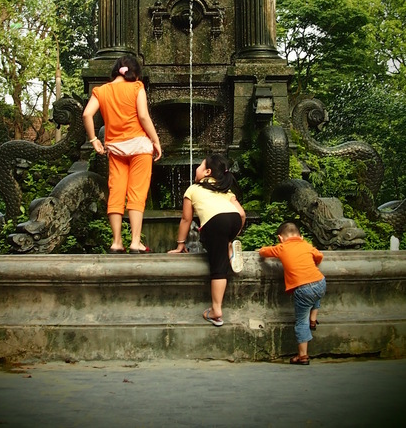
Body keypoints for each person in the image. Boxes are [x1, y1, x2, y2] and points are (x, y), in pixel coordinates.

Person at [83, 54, 162, 254]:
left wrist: (94, 139)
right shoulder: (137, 87)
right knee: (137, 193)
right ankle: (136, 242)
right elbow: (143, 116)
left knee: (116, 192)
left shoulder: (101, 91)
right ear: (135, 73)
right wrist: (156, 141)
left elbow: (86, 114)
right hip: (140, 148)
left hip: (116, 148)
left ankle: (117, 242)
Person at [168, 154, 246, 327]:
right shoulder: (225, 190)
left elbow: (186, 219)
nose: (197, 168)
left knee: (218, 268)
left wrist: (181, 244)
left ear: (207, 172)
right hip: (233, 220)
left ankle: (216, 310)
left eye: (200, 165)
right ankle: (229, 248)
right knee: (211, 239)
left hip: (215, 222)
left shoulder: (193, 189)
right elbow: (241, 213)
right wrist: (233, 234)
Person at [258, 221, 326, 365]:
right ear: (301, 237)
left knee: (301, 322)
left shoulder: (281, 248)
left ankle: (303, 356)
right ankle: (313, 319)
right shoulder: (306, 245)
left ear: (280, 238)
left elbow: (263, 252)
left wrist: (263, 249)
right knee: (316, 294)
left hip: (303, 288)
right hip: (320, 282)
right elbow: (319, 256)